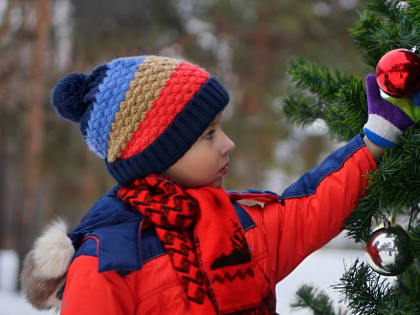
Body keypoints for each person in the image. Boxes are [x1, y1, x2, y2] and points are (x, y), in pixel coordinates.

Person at [20, 56, 418, 315]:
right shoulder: (107, 261)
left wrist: (376, 137)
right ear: (159, 154)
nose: (228, 143)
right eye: (208, 135)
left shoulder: (237, 223)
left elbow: (310, 208)